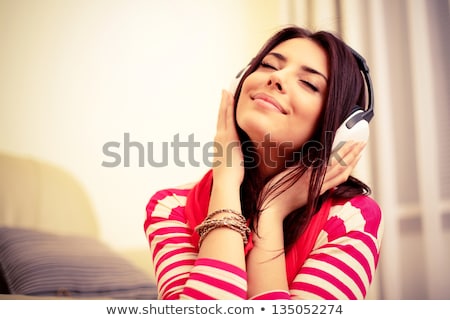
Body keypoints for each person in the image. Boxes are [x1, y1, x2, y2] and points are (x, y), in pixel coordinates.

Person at [144, 25, 383, 300]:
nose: (277, 77)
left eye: (308, 83)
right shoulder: (171, 207)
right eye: (269, 65)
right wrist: (226, 181)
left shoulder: (351, 219)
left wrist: (272, 208)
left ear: (343, 129)